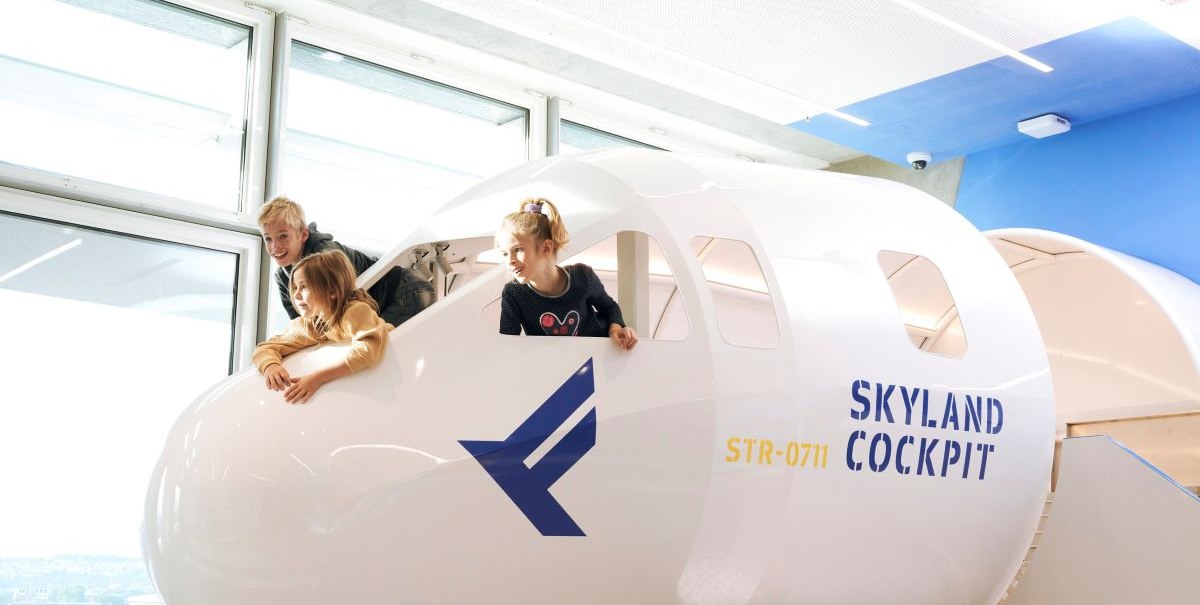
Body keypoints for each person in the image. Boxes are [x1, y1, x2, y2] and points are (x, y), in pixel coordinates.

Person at [257, 195, 433, 327]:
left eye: (283, 236)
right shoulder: (283, 277)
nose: (275, 247)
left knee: (373, 346)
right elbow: (302, 325)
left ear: (303, 234)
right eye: (268, 239)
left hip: (403, 289)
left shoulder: (325, 254)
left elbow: (337, 308)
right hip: (374, 306)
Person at [496, 197, 638, 350]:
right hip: (559, 367)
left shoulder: (583, 277)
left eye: (517, 250)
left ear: (546, 248)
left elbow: (610, 307)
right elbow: (507, 344)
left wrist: (616, 330)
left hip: (599, 358)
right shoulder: (514, 294)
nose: (510, 260)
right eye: (505, 254)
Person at [253, 249, 392, 404]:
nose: (297, 295)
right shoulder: (313, 324)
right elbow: (265, 348)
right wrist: (271, 366)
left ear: (332, 291)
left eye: (304, 287)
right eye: (294, 288)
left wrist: (317, 378)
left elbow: (367, 351)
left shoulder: (355, 311)